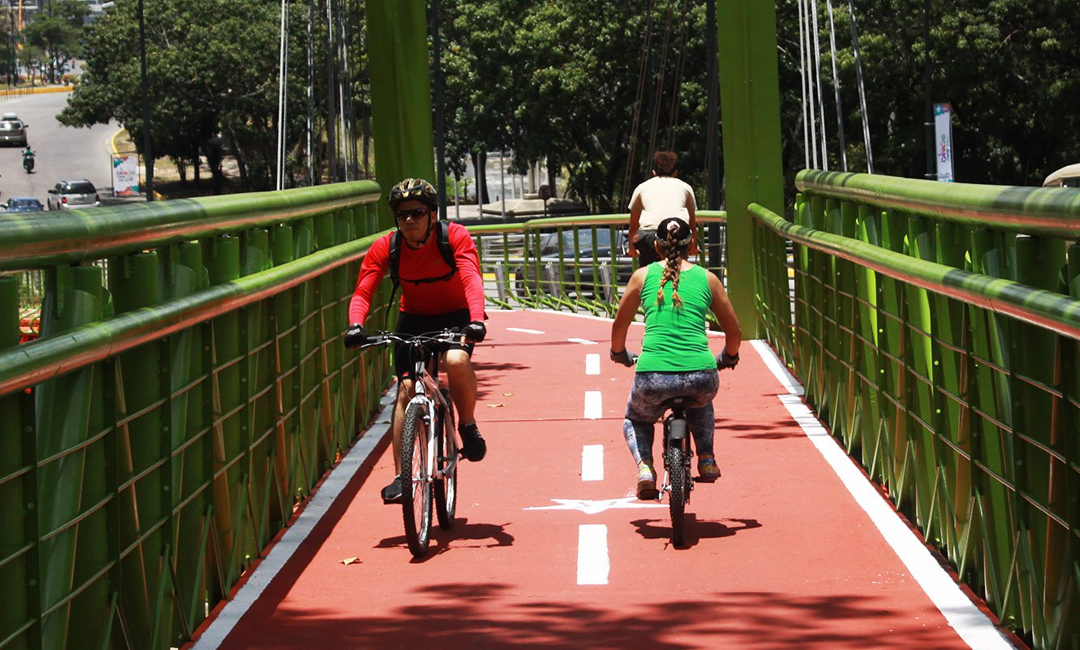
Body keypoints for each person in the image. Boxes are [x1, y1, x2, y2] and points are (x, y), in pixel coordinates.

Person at [343, 178, 488, 504]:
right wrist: (355, 325)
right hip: (414, 319)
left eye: (418, 213)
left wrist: (476, 319)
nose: (410, 220)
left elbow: (470, 277)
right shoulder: (387, 247)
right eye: (403, 214)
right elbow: (363, 291)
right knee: (406, 391)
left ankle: (467, 424)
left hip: (457, 315)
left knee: (455, 360)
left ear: (433, 214)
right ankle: (401, 476)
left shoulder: (454, 237)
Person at [609, 216, 741, 499]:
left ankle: (645, 467)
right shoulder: (709, 279)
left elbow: (619, 326)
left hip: (652, 378)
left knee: (637, 419)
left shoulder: (642, 276)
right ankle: (706, 459)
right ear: (693, 244)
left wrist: (618, 352)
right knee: (701, 402)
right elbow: (734, 331)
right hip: (702, 376)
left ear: (656, 246)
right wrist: (728, 356)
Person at [627, 151, 698, 267]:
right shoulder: (686, 187)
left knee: (647, 272)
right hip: (678, 235)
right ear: (675, 173)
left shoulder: (642, 187)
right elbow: (692, 224)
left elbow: (633, 226)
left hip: (649, 238)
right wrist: (694, 246)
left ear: (654, 172)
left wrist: (631, 248)